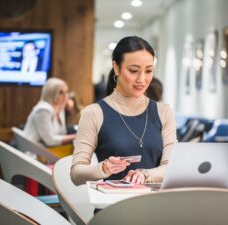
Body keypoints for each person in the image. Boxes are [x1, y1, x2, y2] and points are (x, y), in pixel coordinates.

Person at [71, 36, 177, 185]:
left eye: (148, 71)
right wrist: (103, 168)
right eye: (133, 71)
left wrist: (145, 174)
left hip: (156, 204)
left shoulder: (164, 112)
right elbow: (76, 174)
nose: (142, 79)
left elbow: (170, 167)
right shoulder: (94, 113)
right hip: (113, 205)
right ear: (116, 67)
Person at [24, 77, 76, 147]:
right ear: (51, 93)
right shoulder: (43, 110)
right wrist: (77, 136)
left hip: (52, 150)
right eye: (61, 92)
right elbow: (50, 140)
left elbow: (62, 133)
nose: (65, 96)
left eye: (66, 92)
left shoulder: (59, 107)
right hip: (37, 153)